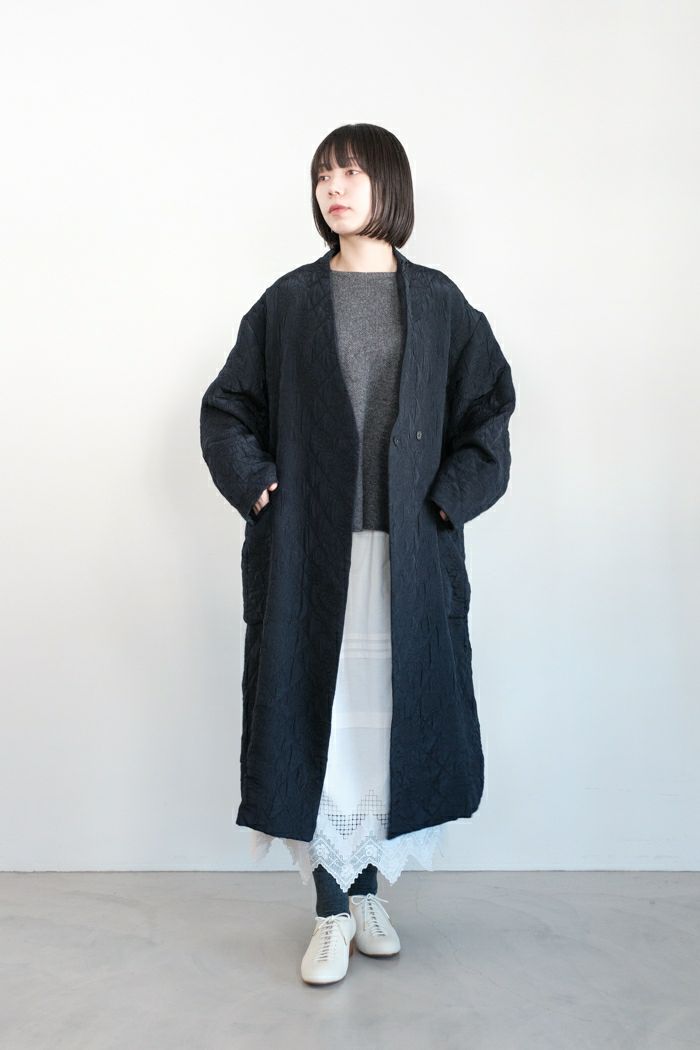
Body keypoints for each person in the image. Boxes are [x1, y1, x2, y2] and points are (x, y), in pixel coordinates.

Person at [200, 123, 516, 986]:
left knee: (386, 728)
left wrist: (449, 498)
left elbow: (488, 413)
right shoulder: (287, 303)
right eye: (322, 176)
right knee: (322, 725)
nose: (333, 189)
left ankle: (369, 890)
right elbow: (228, 408)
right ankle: (330, 911)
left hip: (406, 557)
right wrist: (259, 486)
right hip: (312, 557)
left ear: (389, 186)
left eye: (349, 173)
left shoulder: (441, 304)